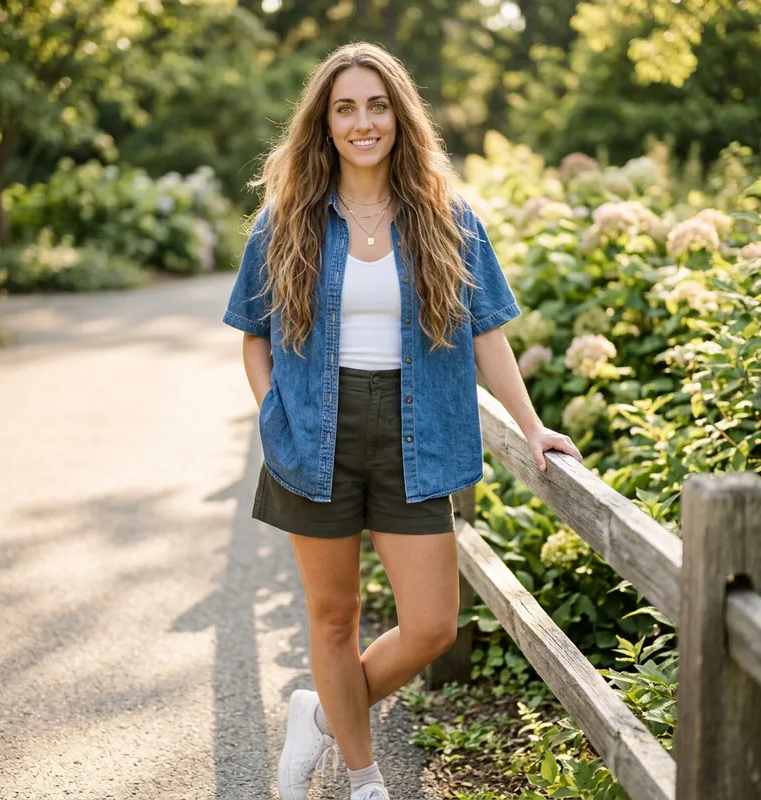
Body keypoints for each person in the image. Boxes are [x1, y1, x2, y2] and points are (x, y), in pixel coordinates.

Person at [222, 41, 583, 800]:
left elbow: (487, 333)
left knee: (432, 627)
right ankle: (365, 780)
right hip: (313, 433)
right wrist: (275, 412)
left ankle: (321, 715)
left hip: (418, 432)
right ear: (324, 123)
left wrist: (531, 425)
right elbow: (253, 336)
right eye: (345, 108)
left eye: (377, 106)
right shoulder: (285, 220)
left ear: (400, 116)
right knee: (334, 617)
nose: (363, 122)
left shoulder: (447, 218)